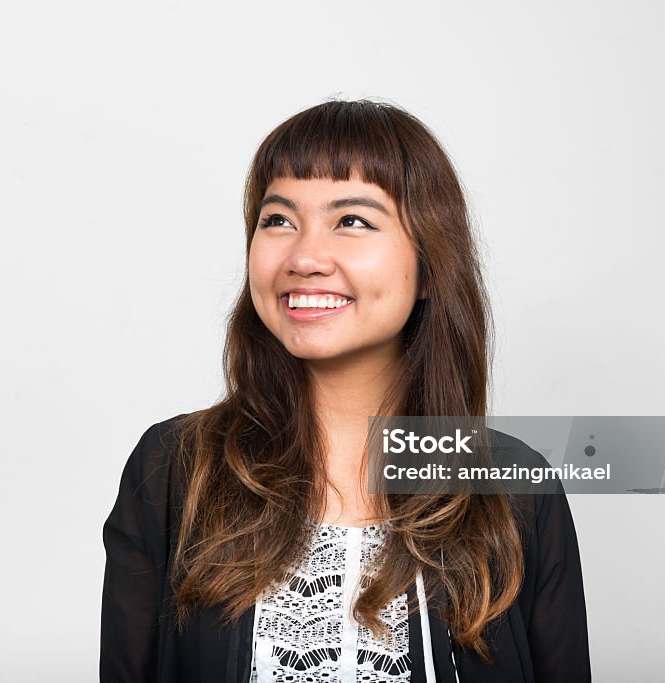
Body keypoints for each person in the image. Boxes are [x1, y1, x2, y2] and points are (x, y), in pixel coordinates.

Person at [100, 99, 590, 682]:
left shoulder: (515, 489)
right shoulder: (174, 467)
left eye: (352, 221)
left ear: (430, 266)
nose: (304, 257)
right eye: (277, 219)